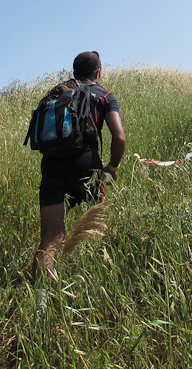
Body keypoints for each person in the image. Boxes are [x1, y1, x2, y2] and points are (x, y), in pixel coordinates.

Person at [32, 51, 126, 284]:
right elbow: (119, 137)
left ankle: (40, 301)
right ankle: (94, 288)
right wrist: (112, 166)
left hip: (51, 167)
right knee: (94, 232)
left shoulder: (56, 92)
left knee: (50, 238)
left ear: (74, 71)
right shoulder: (104, 95)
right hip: (86, 165)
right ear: (98, 72)